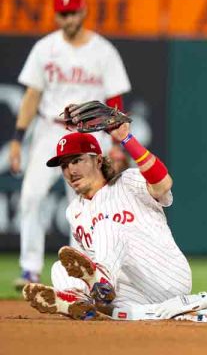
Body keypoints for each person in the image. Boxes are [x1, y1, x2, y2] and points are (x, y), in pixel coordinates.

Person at [9, 0, 132, 290]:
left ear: (83, 12)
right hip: (51, 129)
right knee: (30, 196)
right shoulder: (44, 48)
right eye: (63, 13)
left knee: (88, 204)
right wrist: (17, 139)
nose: (69, 18)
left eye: (73, 12)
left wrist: (116, 143)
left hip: (90, 133)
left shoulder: (103, 50)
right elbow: (31, 95)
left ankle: (83, 273)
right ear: (56, 15)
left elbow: (115, 97)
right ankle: (29, 270)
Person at [22, 122, 191, 320]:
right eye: (64, 165)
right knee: (60, 268)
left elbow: (163, 184)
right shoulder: (74, 212)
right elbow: (84, 260)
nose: (70, 170)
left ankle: (100, 280)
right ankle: (78, 303)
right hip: (133, 294)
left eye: (77, 160)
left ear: (98, 161)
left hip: (167, 277)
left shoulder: (127, 182)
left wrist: (127, 139)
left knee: (107, 224)